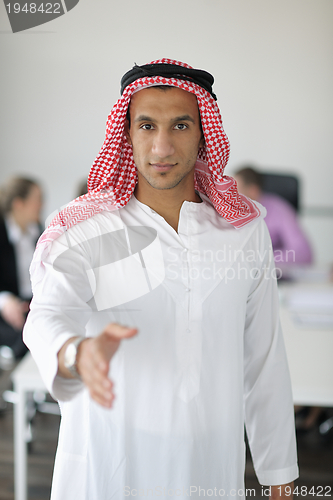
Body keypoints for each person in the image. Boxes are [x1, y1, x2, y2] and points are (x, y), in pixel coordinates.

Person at [23, 59, 298, 499]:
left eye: (181, 126)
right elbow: (47, 316)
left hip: (209, 468)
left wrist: (280, 477)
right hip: (110, 466)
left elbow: (264, 361)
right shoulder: (85, 230)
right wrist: (77, 352)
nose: (163, 146)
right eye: (147, 126)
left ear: (204, 133)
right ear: (126, 134)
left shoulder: (245, 232)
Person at [0, 176, 43, 361]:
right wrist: (5, 301)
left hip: (30, 304)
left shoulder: (38, 230)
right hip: (7, 306)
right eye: (38, 199)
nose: (41, 205)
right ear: (19, 204)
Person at [234, 166, 312, 265]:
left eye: (236, 190)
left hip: (273, 274)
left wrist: (264, 261)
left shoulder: (279, 209)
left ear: (253, 191)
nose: (231, 196)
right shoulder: (228, 213)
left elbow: (303, 252)